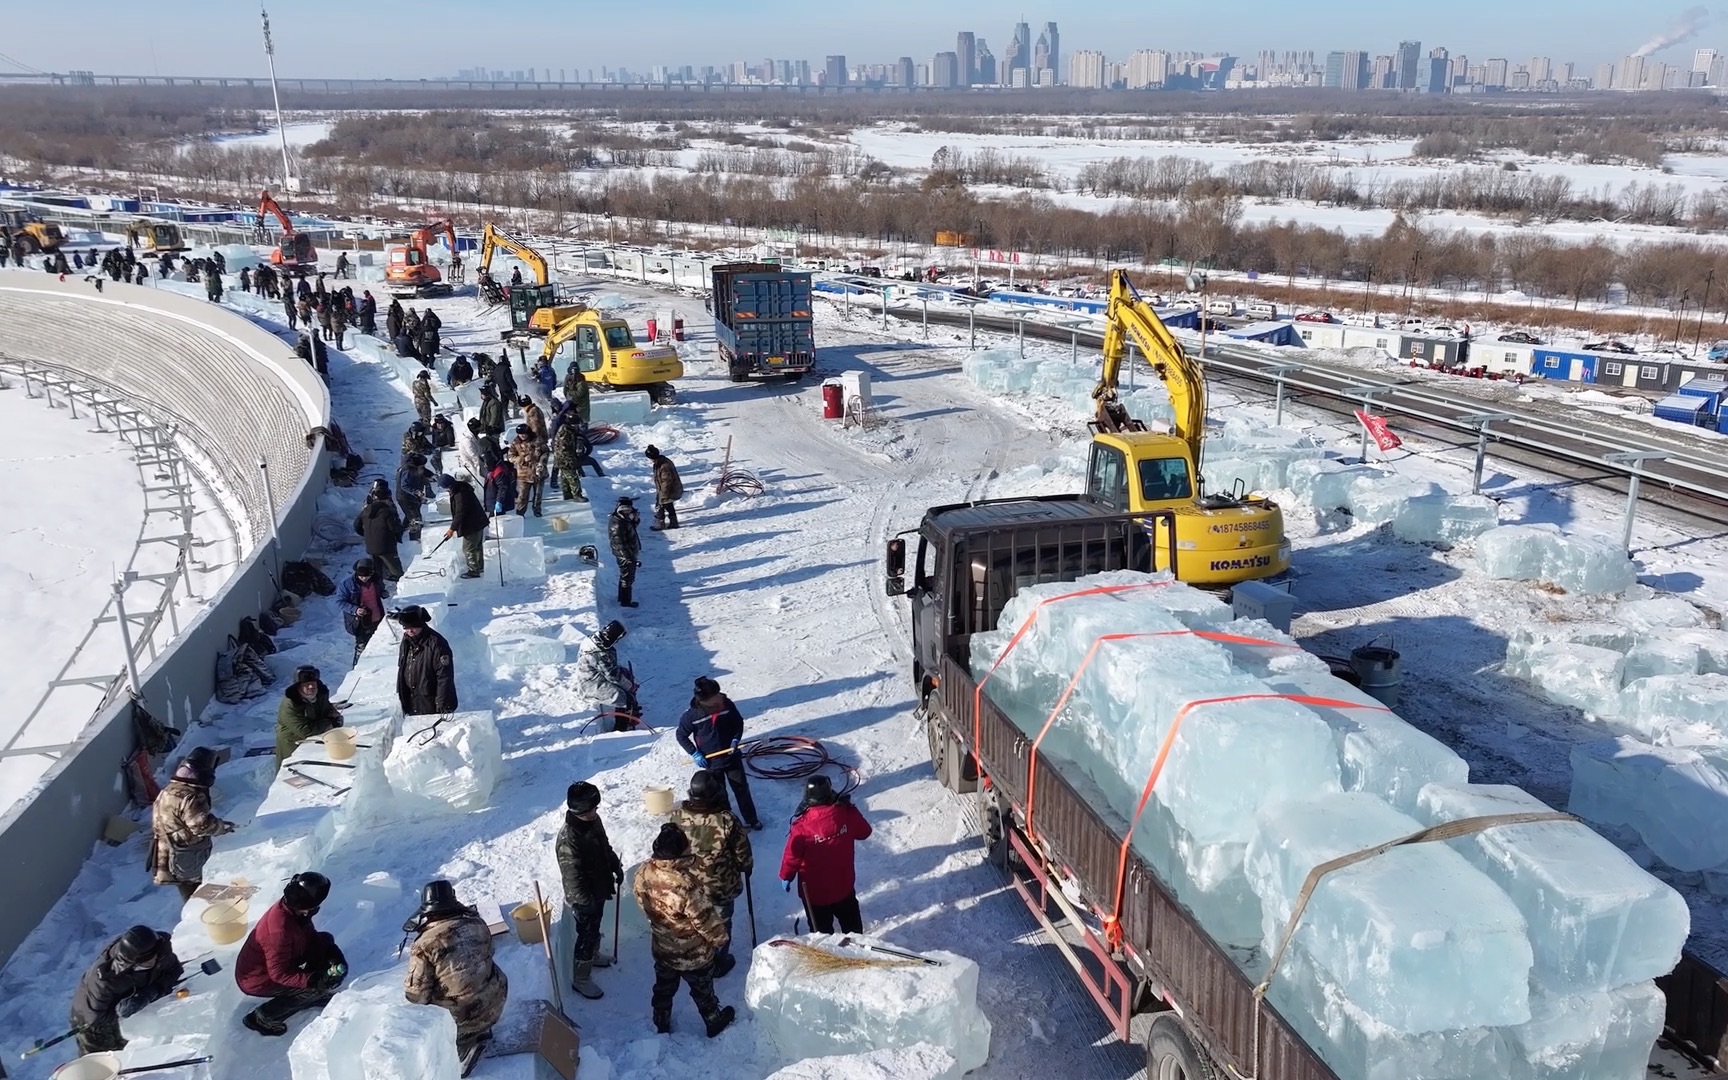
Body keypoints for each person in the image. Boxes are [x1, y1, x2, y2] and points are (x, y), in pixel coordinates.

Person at [634, 823, 736, 1039]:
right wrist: (720, 939)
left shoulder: (643, 872)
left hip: (663, 948)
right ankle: (712, 1020)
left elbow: (642, 902)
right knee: (703, 990)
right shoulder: (685, 885)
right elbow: (704, 919)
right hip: (693, 954)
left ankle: (660, 1020)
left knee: (663, 987)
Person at [403, 880, 508, 1076]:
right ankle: (482, 1028)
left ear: (429, 913)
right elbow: (489, 952)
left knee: (423, 1008)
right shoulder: (477, 922)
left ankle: (465, 1043)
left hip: (465, 1018)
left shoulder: (424, 945)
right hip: (496, 1000)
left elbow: (416, 996)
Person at [237, 873, 347, 1036]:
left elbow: (308, 935)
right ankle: (262, 1018)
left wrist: (330, 952)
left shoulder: (294, 910)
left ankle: (311, 990)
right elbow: (279, 974)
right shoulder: (279, 932)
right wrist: (313, 980)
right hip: (259, 979)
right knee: (314, 989)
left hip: (284, 959)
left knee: (325, 940)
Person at [668, 770, 754, 977]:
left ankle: (695, 957)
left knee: (693, 920)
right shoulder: (726, 820)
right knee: (721, 924)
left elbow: (669, 849)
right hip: (720, 887)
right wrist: (746, 867)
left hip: (688, 887)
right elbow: (742, 853)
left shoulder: (677, 817)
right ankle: (717, 962)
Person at [70, 926, 185, 1054]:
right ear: (134, 962)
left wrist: (154, 990)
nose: (155, 960)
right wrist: (121, 1010)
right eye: (148, 960)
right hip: (92, 1018)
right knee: (104, 1057)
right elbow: (94, 1018)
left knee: (131, 1047)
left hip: (130, 1001)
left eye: (156, 955)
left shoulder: (160, 950)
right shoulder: (105, 980)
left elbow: (175, 970)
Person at [556, 781, 624, 1000]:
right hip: (583, 896)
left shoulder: (593, 820)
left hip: (599, 885)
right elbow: (572, 876)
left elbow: (604, 845)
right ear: (577, 811)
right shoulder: (569, 839)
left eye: (596, 808)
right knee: (586, 934)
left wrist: (615, 865)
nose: (595, 813)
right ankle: (581, 978)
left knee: (594, 927)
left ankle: (593, 956)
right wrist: (585, 902)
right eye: (590, 810)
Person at [779, 776, 872, 934]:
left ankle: (826, 955)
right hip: (844, 886)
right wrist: (850, 809)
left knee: (821, 934)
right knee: (853, 929)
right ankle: (857, 954)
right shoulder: (846, 814)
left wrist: (786, 875)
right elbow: (864, 832)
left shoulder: (801, 827)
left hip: (814, 894)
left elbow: (792, 856)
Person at [150, 748, 236, 902]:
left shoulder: (170, 789)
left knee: (187, 891)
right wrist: (223, 827)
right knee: (201, 894)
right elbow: (200, 826)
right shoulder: (191, 796)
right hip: (187, 854)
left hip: (168, 850)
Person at [676, 677, 761, 831]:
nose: (720, 698)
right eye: (715, 697)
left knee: (741, 789)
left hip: (732, 757)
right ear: (704, 701)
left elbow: (738, 723)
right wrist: (694, 753)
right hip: (711, 763)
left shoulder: (727, 705)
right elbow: (681, 735)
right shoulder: (691, 716)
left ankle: (752, 819)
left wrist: (735, 739)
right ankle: (729, 824)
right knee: (720, 795)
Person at [574, 620, 639, 731]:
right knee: (625, 698)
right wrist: (630, 686)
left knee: (624, 685)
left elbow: (609, 669)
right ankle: (621, 728)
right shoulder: (599, 654)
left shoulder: (593, 642)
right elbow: (613, 676)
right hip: (591, 685)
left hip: (593, 677)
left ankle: (626, 713)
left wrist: (623, 672)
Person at [275, 665, 344, 769]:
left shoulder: (320, 693)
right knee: (293, 771)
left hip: (317, 737)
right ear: (298, 686)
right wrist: (330, 723)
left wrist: (334, 714)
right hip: (292, 743)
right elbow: (306, 731)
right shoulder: (290, 704)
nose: (311, 687)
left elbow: (326, 707)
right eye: (306, 684)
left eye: (313, 683)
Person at [395, 605, 458, 715]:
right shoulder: (406, 642)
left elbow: (444, 676)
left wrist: (442, 704)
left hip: (431, 702)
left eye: (413, 627)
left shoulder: (437, 643)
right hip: (411, 700)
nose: (410, 631)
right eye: (406, 627)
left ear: (421, 625)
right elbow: (402, 669)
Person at [336, 557, 390, 663]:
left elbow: (381, 590)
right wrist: (355, 609)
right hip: (359, 622)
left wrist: (383, 593)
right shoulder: (347, 584)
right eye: (361, 576)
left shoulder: (376, 579)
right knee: (361, 647)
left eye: (367, 576)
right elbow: (340, 602)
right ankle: (357, 667)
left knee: (379, 643)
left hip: (377, 616)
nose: (364, 579)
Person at [354, 479, 406, 582]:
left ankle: (379, 586)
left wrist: (366, 534)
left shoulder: (365, 510)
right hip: (385, 545)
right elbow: (394, 528)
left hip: (370, 545)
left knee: (377, 570)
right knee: (397, 571)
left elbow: (356, 525)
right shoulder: (387, 511)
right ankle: (401, 585)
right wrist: (402, 529)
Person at [442, 472, 489, 579]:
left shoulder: (460, 493)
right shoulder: (460, 488)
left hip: (472, 523)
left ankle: (473, 570)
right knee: (476, 546)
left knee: (468, 548)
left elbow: (460, 512)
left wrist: (452, 529)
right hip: (477, 521)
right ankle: (479, 566)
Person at [608, 495, 642, 608]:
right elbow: (620, 544)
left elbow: (630, 529)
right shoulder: (617, 525)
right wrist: (629, 558)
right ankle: (626, 601)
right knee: (627, 577)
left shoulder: (622, 519)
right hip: (625, 555)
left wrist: (635, 520)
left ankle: (622, 597)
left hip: (627, 554)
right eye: (627, 511)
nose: (629, 514)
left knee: (625, 576)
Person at [396, 453, 436, 542]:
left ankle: (401, 531)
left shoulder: (414, 467)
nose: (423, 467)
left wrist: (431, 475)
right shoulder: (407, 470)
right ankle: (415, 540)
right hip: (405, 498)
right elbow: (404, 485)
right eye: (422, 465)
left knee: (411, 514)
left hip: (412, 497)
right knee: (415, 518)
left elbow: (423, 471)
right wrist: (416, 492)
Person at [553, 412, 592, 503]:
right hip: (565, 458)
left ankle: (567, 494)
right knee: (573, 477)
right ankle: (577, 495)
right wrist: (572, 460)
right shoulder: (566, 432)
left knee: (565, 476)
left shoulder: (567, 429)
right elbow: (563, 449)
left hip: (561, 458)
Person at [508, 424, 544, 517]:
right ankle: (520, 513)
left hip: (538, 472)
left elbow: (546, 452)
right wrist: (522, 459)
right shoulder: (515, 443)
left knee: (538, 494)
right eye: (520, 434)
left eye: (524, 434)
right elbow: (510, 457)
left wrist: (542, 462)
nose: (522, 436)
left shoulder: (537, 440)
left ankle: (537, 510)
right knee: (523, 496)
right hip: (524, 474)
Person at [645, 445, 684, 531]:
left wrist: (663, 494)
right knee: (668, 504)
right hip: (666, 489)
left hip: (668, 489)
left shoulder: (664, 465)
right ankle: (673, 522)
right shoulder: (660, 462)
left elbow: (666, 481)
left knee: (660, 505)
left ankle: (660, 523)